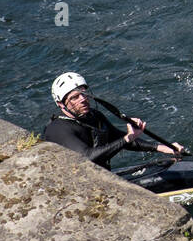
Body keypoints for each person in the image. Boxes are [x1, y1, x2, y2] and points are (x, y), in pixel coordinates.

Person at [43, 72, 185, 171]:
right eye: (75, 97)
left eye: (84, 94)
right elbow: (87, 158)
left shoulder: (94, 116)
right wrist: (126, 138)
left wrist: (161, 147)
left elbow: (117, 138)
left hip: (100, 177)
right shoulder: (58, 129)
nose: (83, 99)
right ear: (61, 104)